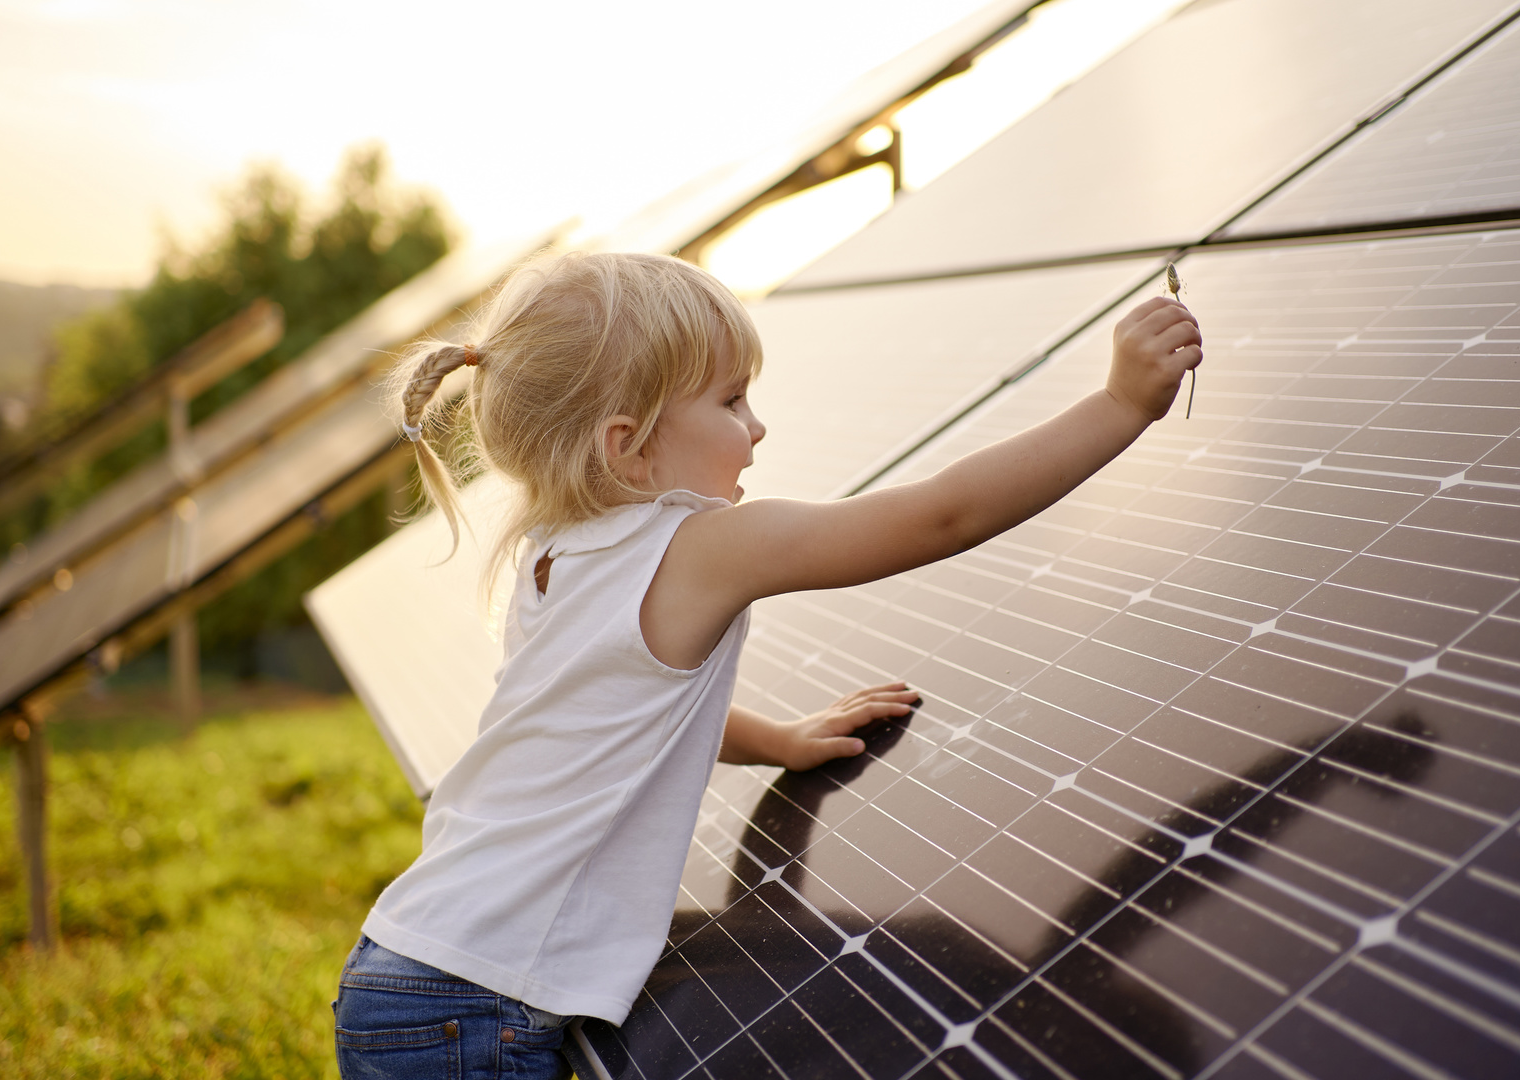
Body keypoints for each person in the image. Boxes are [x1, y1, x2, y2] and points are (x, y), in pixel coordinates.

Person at [334, 251, 1201, 1079]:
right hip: (478, 1005)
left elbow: (608, 719)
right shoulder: (699, 546)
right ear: (629, 444)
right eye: (731, 400)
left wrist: (778, 740)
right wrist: (1121, 405)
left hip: (408, 964)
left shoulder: (554, 555)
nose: (757, 426)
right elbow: (941, 517)